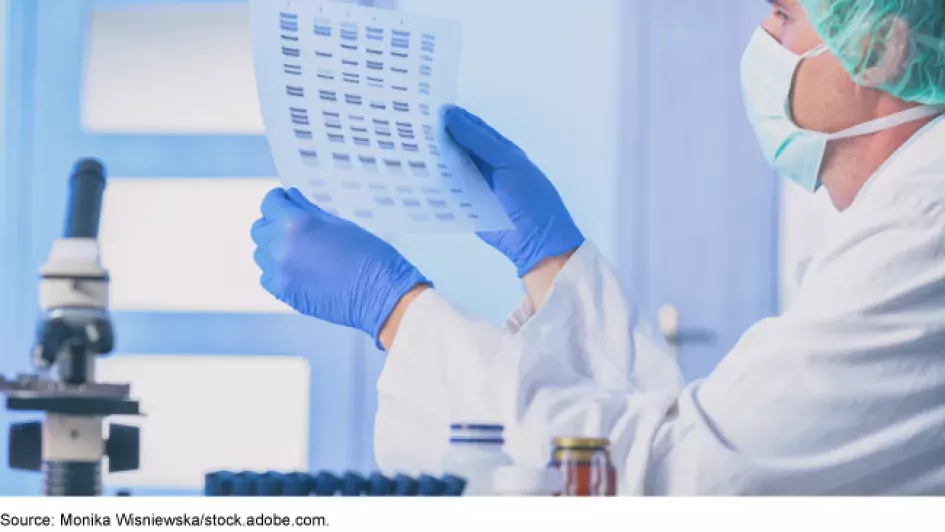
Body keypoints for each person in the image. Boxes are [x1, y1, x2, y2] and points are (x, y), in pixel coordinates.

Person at [250, 0, 945, 494]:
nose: (760, 36)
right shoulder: (901, 213)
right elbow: (676, 439)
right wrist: (550, 264)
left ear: (882, 47)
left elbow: (692, 481)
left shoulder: (924, 223)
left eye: (784, 16)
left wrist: (397, 312)